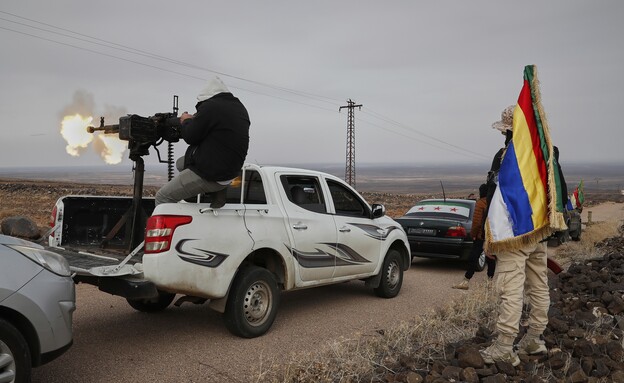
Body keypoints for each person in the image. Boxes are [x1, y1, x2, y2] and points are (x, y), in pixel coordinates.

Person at [479, 105, 552, 367]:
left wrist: (489, 238)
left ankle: (504, 346)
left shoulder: (507, 156)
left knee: (510, 288)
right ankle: (534, 337)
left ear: (508, 130)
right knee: (538, 283)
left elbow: (495, 198)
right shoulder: (546, 153)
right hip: (538, 231)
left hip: (513, 234)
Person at [155, 76, 250, 208]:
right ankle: (217, 190)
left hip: (212, 173)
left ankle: (214, 187)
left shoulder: (211, 107)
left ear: (206, 97)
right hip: (230, 169)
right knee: (180, 163)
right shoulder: (238, 108)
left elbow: (190, 137)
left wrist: (185, 121)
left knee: (162, 197)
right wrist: (196, 120)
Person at [452, 183, 496, 290]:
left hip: (481, 236)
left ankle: (466, 281)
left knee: (473, 258)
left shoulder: (480, 203)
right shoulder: (494, 202)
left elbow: (476, 222)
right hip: (492, 236)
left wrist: (473, 235)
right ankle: (489, 283)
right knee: (491, 259)